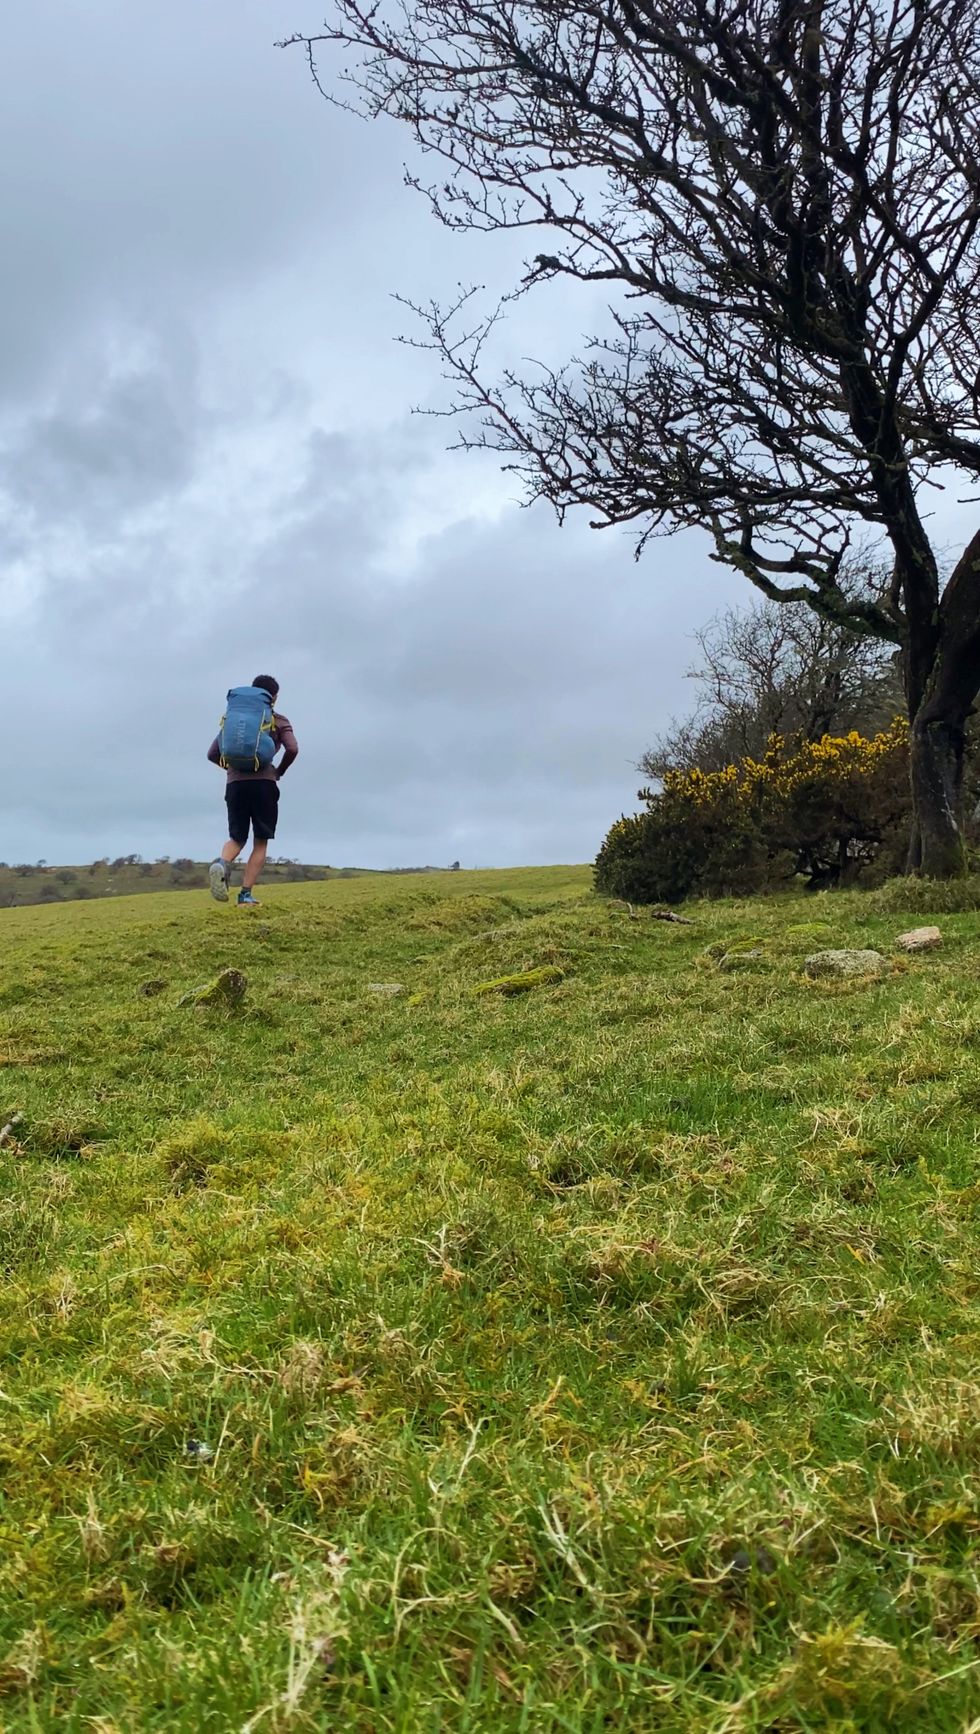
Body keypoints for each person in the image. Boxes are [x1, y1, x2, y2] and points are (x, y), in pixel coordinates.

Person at [207, 675, 299, 906]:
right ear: (273, 697)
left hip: (235, 785)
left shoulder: (233, 723)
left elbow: (212, 754)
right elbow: (293, 748)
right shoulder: (277, 721)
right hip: (264, 784)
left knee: (236, 838)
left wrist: (231, 769)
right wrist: (279, 771)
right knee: (260, 841)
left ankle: (222, 862)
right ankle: (245, 895)